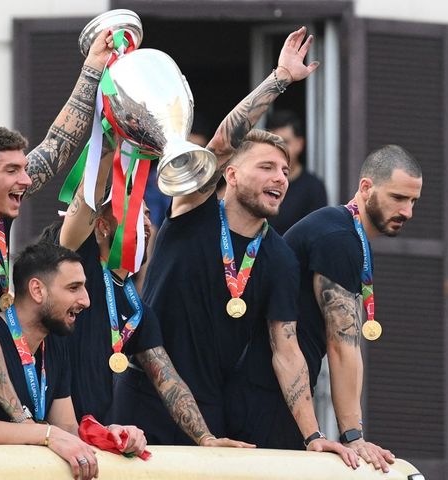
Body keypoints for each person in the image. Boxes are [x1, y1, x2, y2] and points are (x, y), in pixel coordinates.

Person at [109, 27, 357, 467]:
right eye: (266, 166)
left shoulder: (279, 256)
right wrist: (279, 78)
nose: (280, 177)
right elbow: (223, 140)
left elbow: (287, 351)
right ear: (231, 175)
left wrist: (314, 435)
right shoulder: (192, 208)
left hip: (210, 415)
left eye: (284, 170)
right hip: (143, 397)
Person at [0, 30, 115, 423]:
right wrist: (25, 421)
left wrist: (93, 67)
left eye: (23, 168)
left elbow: (56, 145)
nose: (27, 179)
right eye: (13, 170)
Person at [55, 154, 251, 447]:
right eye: (135, 213)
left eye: (147, 215)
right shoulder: (81, 270)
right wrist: (108, 146)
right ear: (102, 227)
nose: (147, 223)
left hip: (92, 434)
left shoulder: (138, 310)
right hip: (51, 428)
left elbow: (167, 379)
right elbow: (87, 201)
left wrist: (206, 438)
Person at [0, 241, 146, 480]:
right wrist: (45, 434)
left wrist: (109, 435)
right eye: (74, 288)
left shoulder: (55, 342)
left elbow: (67, 429)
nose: (86, 300)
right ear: (37, 290)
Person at [284, 144, 422, 472]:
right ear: (365, 188)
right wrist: (353, 436)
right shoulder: (338, 237)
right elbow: (341, 343)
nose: (408, 212)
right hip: (266, 391)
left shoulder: (348, 234)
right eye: (398, 198)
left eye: (413, 201)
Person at [265, 110, 327, 234]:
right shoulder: (259, 180)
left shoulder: (313, 188)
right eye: (273, 143)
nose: (279, 148)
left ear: (300, 144)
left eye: (285, 142)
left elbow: (316, 236)